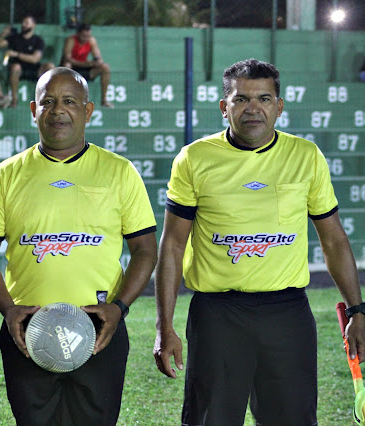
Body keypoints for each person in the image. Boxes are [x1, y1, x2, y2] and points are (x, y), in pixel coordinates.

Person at [153, 58, 365, 425]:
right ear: (224, 107)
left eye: (264, 99)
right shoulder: (194, 158)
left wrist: (357, 310)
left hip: (287, 313)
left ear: (279, 107)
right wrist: (164, 326)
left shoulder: (306, 156)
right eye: (241, 99)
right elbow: (172, 245)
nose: (253, 108)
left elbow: (333, 239)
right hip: (217, 315)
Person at [0, 67, 157, 425]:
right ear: (33, 110)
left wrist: (119, 308)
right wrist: (9, 310)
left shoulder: (119, 172)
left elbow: (145, 250)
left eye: (69, 102)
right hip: (27, 329)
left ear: (87, 111)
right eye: (48, 102)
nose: (58, 110)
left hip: (99, 326)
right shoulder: (8, 174)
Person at [0, 15, 55, 108]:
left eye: (26, 23)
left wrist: (16, 54)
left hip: (34, 69)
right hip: (17, 70)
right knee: (15, 67)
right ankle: (14, 100)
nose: (23, 25)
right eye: (23, 22)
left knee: (50, 66)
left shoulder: (38, 40)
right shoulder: (15, 38)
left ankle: (49, 98)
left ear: (33, 25)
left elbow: (35, 59)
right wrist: (3, 34)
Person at [61, 24, 113, 108]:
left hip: (85, 70)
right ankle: (65, 99)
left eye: (88, 36)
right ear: (78, 34)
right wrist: (86, 64)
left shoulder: (91, 41)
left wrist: (97, 61)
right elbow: (67, 58)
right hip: (72, 69)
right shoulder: (71, 40)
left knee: (105, 67)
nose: (86, 38)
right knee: (67, 65)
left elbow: (98, 57)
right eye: (83, 36)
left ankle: (104, 100)